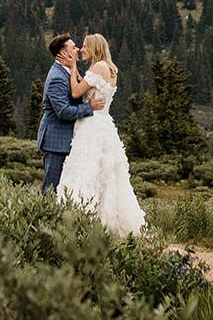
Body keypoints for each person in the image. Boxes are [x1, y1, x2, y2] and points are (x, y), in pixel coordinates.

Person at [56, 33, 148, 236]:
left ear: (95, 48)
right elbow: (90, 85)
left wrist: (72, 68)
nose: (81, 49)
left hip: (91, 126)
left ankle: (84, 220)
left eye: (85, 46)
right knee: (107, 175)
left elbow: (76, 92)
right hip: (105, 124)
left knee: (87, 170)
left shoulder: (98, 67)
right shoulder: (110, 69)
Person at [36, 33, 104, 194]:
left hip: (68, 140)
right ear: (64, 53)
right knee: (52, 187)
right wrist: (90, 107)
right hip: (55, 143)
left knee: (66, 188)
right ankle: (45, 216)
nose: (78, 49)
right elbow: (63, 112)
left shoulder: (68, 72)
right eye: (74, 47)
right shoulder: (57, 78)